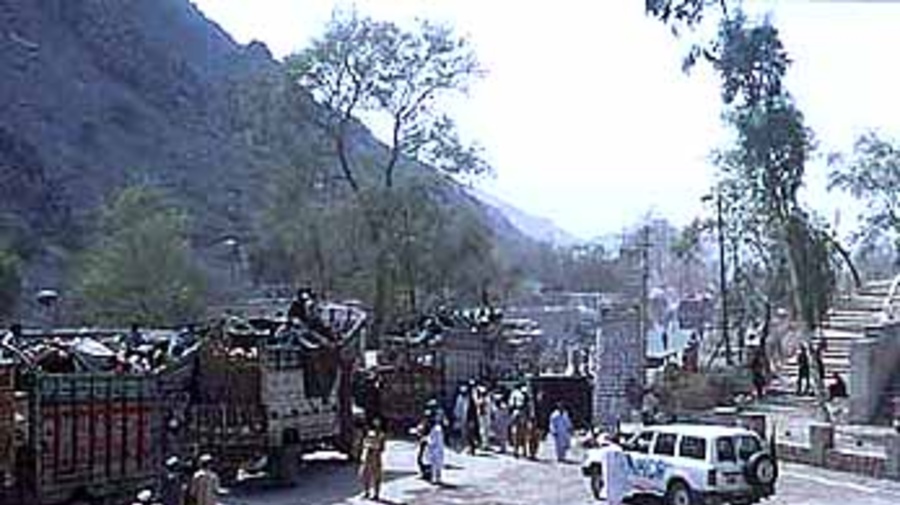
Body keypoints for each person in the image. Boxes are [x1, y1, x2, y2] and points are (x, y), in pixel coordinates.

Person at [594, 433, 632, 505]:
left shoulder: (603, 452)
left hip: (610, 485)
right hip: (618, 484)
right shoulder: (619, 450)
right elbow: (625, 468)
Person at [359, 418, 387, 500]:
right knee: (365, 475)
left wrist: (375, 447)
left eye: (378, 421)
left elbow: (382, 448)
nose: (376, 423)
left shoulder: (381, 434)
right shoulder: (368, 433)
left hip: (376, 456)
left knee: (376, 476)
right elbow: (363, 444)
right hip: (367, 456)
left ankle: (376, 494)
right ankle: (366, 492)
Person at [426, 415, 445, 485]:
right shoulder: (437, 428)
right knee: (437, 465)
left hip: (435, 449)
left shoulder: (436, 429)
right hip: (437, 449)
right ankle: (437, 478)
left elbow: (433, 440)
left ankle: (435, 479)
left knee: (435, 465)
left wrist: (426, 440)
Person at [453, 385, 469, 450]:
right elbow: (457, 408)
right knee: (459, 432)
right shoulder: (459, 398)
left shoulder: (468, 398)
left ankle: (464, 444)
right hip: (460, 417)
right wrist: (457, 416)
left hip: (466, 417)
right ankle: (459, 445)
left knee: (465, 432)